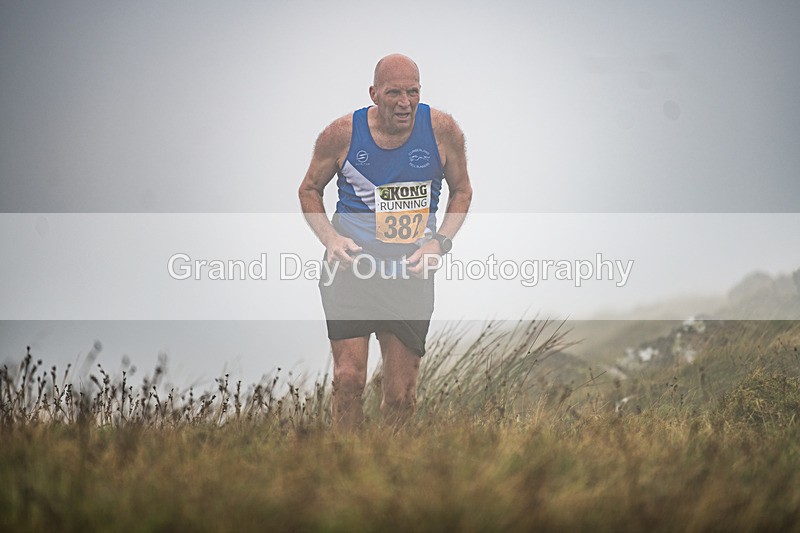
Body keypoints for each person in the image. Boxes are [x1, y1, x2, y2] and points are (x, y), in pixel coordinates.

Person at [298, 53, 472, 429]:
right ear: (374, 93)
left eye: (413, 92)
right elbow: (309, 189)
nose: (404, 102)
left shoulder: (443, 131)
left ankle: (391, 476)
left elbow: (462, 191)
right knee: (348, 379)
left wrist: (438, 243)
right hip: (351, 269)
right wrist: (330, 239)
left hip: (409, 272)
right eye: (394, 93)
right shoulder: (341, 134)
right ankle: (347, 467)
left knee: (399, 397)